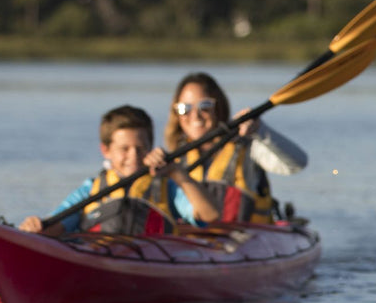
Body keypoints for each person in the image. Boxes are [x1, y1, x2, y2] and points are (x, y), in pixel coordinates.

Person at [18, 105, 219, 235]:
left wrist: (177, 172)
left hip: (154, 260)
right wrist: (35, 227)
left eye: (140, 149)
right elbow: (56, 226)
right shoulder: (91, 190)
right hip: (99, 258)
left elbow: (210, 215)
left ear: (150, 147)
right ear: (105, 150)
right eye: (124, 149)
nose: (133, 156)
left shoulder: (168, 187)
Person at [164, 72, 308, 224]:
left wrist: (260, 129)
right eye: (184, 108)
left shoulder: (245, 145)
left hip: (249, 239)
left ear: (218, 108)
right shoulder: (173, 159)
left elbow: (298, 164)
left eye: (205, 106)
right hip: (197, 241)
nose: (195, 115)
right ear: (176, 113)